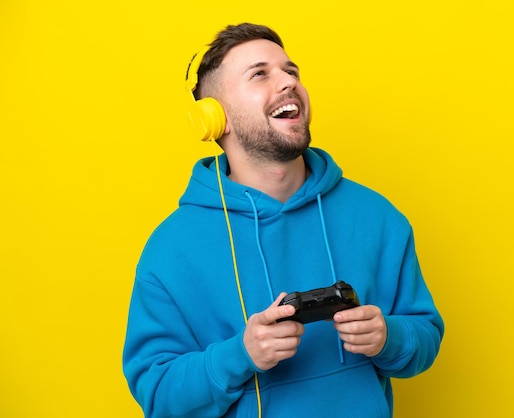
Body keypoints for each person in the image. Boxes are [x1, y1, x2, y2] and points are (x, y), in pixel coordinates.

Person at [123, 23, 444, 418]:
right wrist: (240, 355)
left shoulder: (377, 216)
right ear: (215, 117)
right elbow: (157, 395)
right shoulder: (171, 251)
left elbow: (425, 333)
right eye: (260, 74)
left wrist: (389, 337)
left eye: (291, 71)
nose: (288, 83)